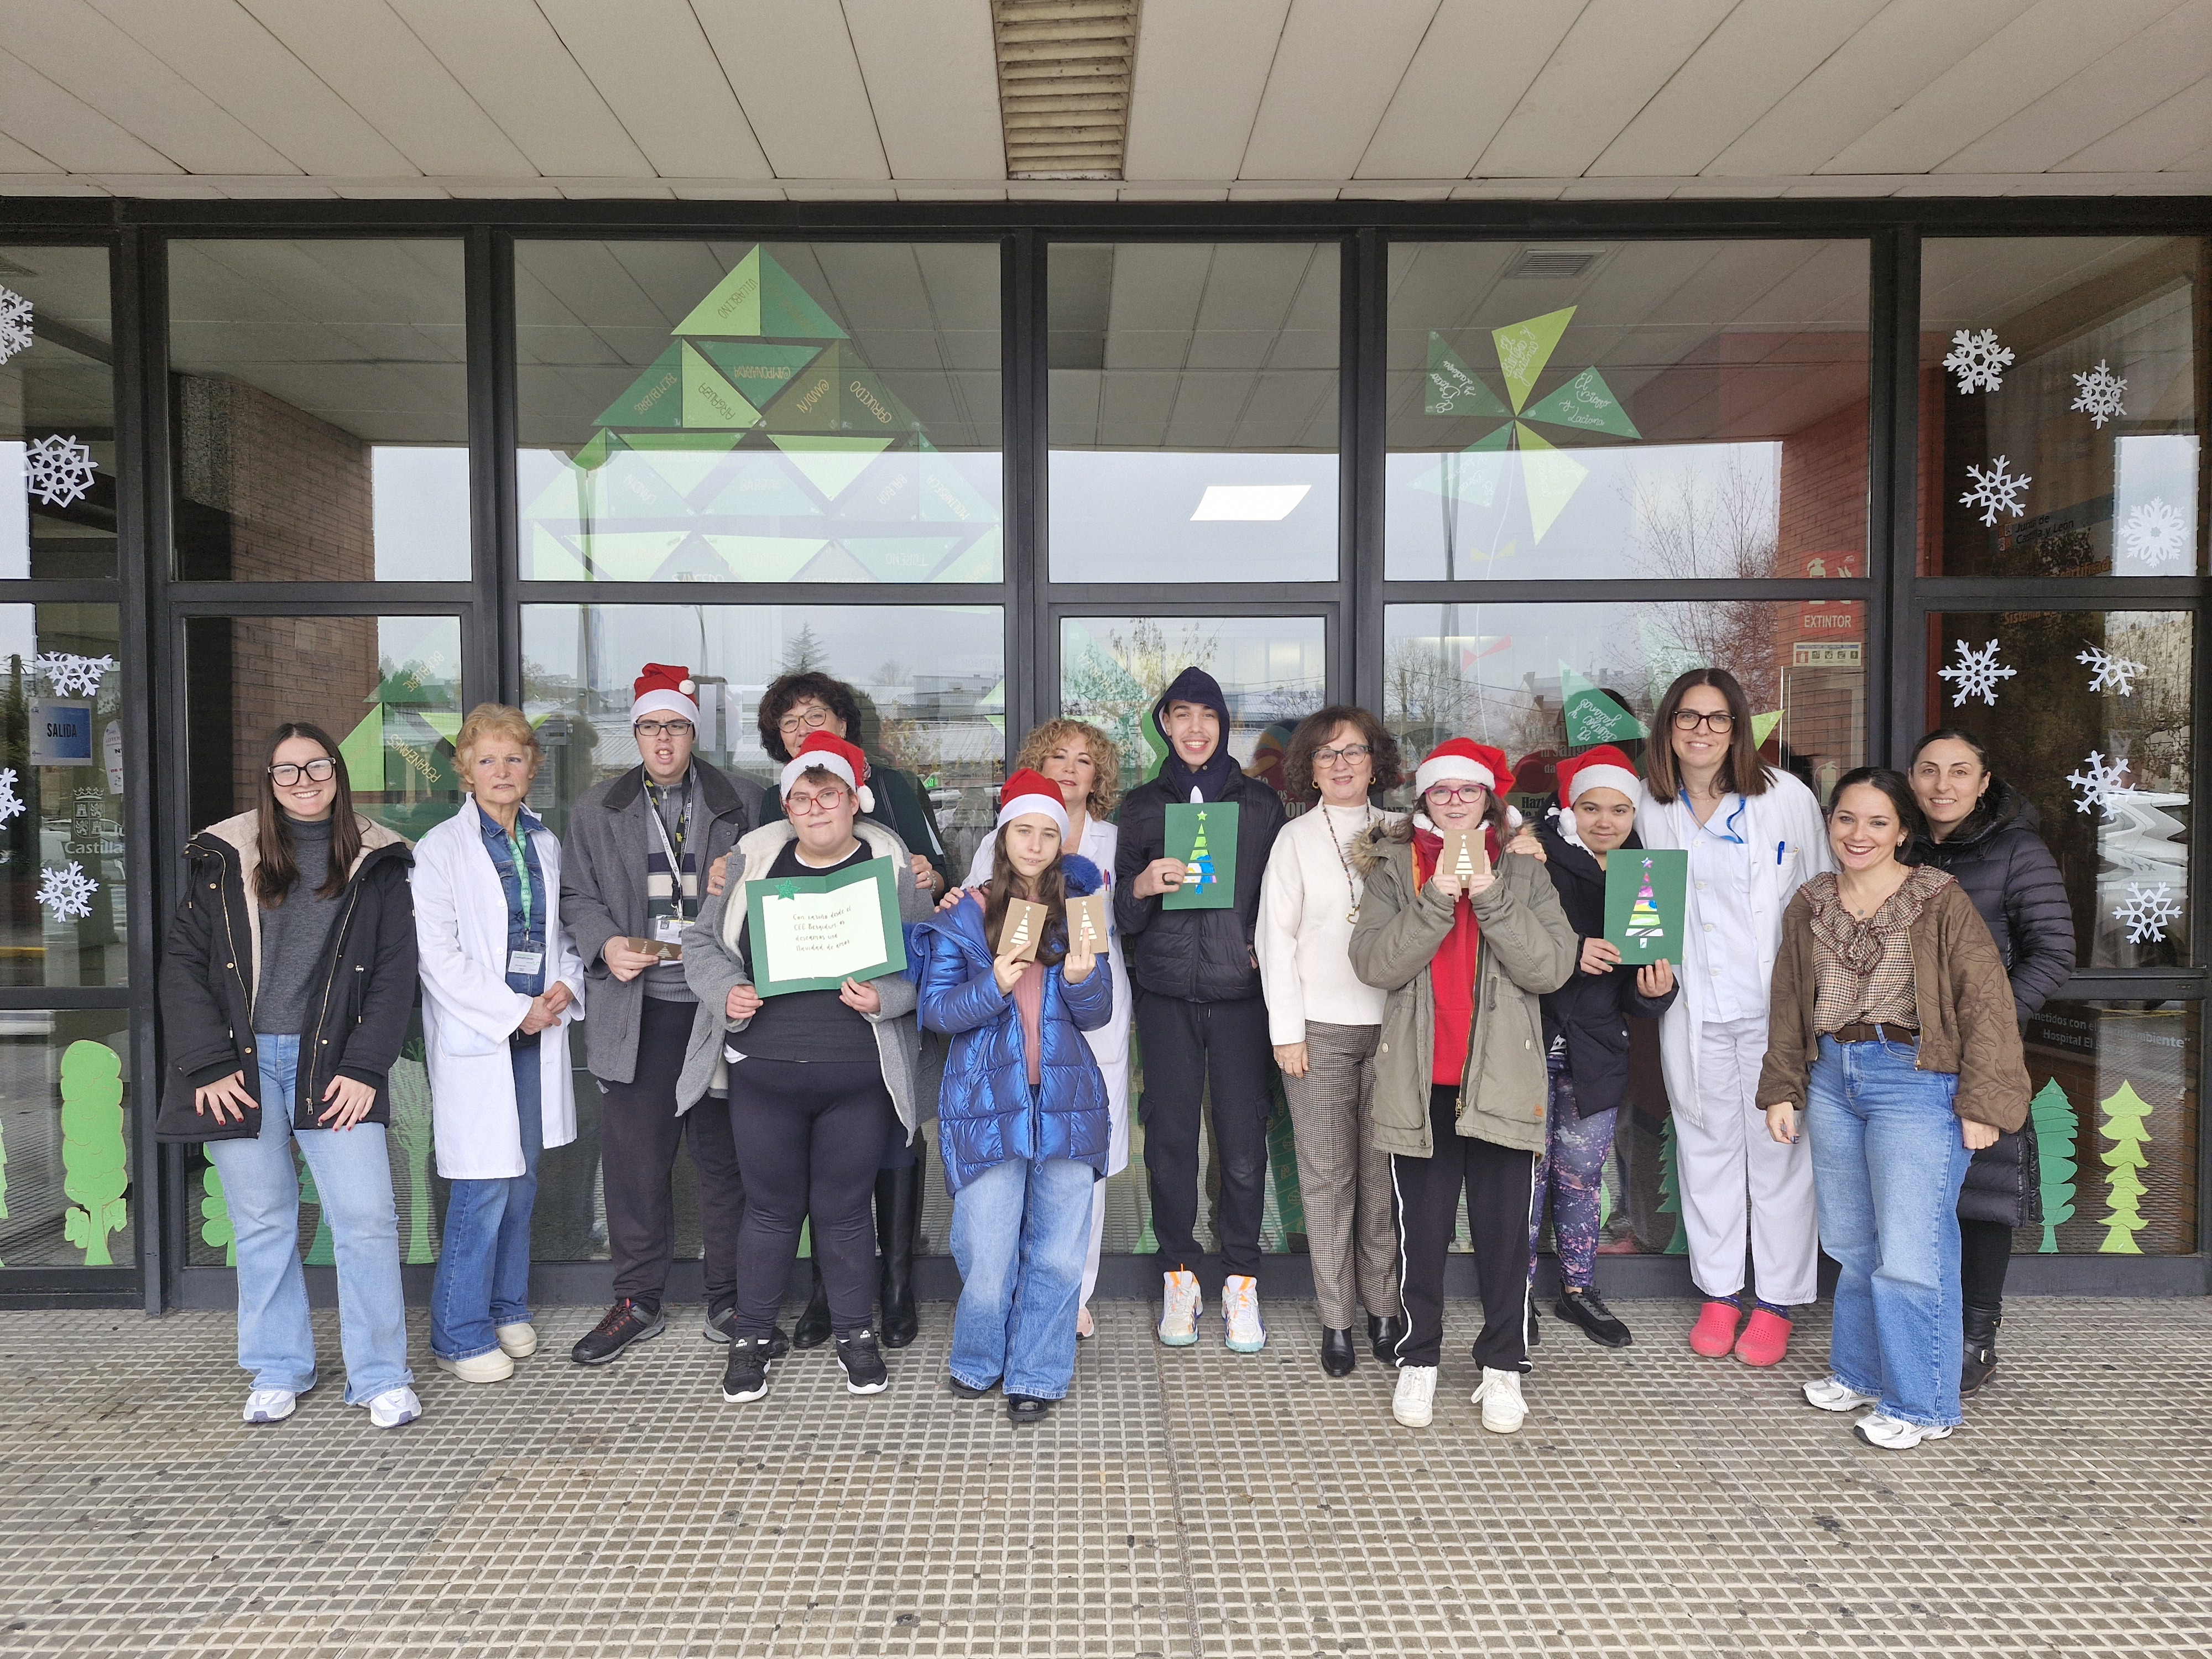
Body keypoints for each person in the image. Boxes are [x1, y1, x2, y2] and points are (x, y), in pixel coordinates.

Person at [156, 723, 421, 1429]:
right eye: (286, 771)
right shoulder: (225, 856)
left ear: (338, 770)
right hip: (241, 1067)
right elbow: (184, 966)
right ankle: (279, 1366)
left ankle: (380, 1375)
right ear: (269, 782)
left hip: (333, 1065)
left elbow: (396, 976)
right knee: (264, 1219)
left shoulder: (381, 861)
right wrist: (208, 1063)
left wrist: (367, 1067)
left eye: (317, 766)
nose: (304, 781)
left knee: (366, 1218)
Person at [1758, 768, 2030, 1450]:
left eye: (1877, 822)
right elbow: (1788, 1001)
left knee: (1912, 1250)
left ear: (1903, 830)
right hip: (1832, 1077)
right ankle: (1861, 1372)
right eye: (1847, 818)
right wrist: (1783, 1088)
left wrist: (1983, 1100)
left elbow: (1985, 1000)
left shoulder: (1937, 897)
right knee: (1853, 1242)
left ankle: (1922, 1404)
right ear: (1829, 823)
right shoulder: (1810, 902)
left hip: (1914, 1078)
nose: (1859, 834)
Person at [677, 732, 933, 1405]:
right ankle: (752, 1338)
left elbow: (929, 962)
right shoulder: (752, 862)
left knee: (846, 1212)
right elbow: (700, 943)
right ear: (787, 805)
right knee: (769, 1212)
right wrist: (724, 990)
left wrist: (890, 997)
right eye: (802, 796)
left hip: (857, 1071)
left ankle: (855, 1333)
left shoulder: (892, 865)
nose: (816, 808)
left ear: (855, 801)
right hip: (764, 1067)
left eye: (830, 794)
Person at [1349, 739, 1577, 1433]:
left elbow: (1551, 967)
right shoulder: (1394, 869)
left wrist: (1491, 895)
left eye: (1467, 790)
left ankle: (1502, 1367)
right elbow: (1374, 963)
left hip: (1502, 1081)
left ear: (1488, 800)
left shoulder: (1523, 870)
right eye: (1440, 790)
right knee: (1420, 1232)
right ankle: (1419, 1360)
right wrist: (1436, 900)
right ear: (1423, 799)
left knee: (1504, 1235)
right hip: (1421, 1086)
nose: (1454, 800)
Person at [559, 664, 766, 1366]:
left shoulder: (744, 799)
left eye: (675, 726)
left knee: (723, 1159)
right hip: (636, 1008)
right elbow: (576, 897)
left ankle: (728, 1296)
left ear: (693, 731)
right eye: (650, 727)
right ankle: (636, 1299)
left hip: (717, 1008)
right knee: (635, 1164)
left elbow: (780, 882)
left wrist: (736, 878)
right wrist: (606, 943)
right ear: (636, 734)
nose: (663, 740)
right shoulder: (597, 809)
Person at [1635, 668, 1830, 1366]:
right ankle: (1720, 1294)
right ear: (1668, 727)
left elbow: (1824, 897)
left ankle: (1774, 1302)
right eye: (1688, 717)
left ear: (1738, 729)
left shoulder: (1786, 799)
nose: (1702, 732)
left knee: (1780, 1152)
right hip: (1690, 1008)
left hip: (1774, 1012)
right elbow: (1613, 871)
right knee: (1706, 1147)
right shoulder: (1646, 804)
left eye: (1718, 719)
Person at [914, 770, 1114, 1424]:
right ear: (1004, 836)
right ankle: (979, 1359)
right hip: (985, 1101)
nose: (1034, 844)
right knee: (988, 1251)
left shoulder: (1080, 904)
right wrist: (994, 983)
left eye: (1048, 832)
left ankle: (1038, 1371)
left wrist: (1082, 978)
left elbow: (1096, 1012)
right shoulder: (967, 911)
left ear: (1061, 840)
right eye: (1023, 830)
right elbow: (937, 1011)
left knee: (1058, 1253)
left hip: (1065, 1097)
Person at [757, 670, 945, 1350]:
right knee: (818, 1168)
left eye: (815, 715)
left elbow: (937, 873)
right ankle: (826, 1294)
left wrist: (931, 875)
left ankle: (895, 1288)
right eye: (789, 723)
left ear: (843, 720)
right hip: (802, 1013)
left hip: (882, 1005)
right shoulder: (768, 807)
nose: (804, 729)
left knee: (895, 1144)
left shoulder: (895, 789)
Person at [1113, 666, 1287, 1353]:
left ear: (1224, 725)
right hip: (1164, 996)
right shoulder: (1141, 806)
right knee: (1169, 1148)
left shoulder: (1260, 804)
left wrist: (1260, 946)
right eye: (1179, 715)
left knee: (1243, 1149)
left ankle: (1240, 1278)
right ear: (1164, 724)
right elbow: (1122, 916)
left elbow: (1281, 898)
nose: (1193, 728)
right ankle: (1179, 1275)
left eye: (1206, 715)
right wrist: (1144, 884)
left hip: (1240, 998)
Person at [415, 705, 586, 1384]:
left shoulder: (546, 843)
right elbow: (439, 957)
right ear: (464, 770)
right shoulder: (439, 850)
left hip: (537, 1029)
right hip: (485, 1035)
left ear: (533, 768)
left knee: (523, 1182)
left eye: (514, 758)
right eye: (486, 760)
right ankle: (458, 1334)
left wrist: (567, 987)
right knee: (483, 1186)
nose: (501, 771)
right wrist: (517, 1012)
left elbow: (563, 934)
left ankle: (507, 1305)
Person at [1907, 727, 2075, 1395]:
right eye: (1928, 771)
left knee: (1982, 1198)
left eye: (1958, 771)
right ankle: (1925, 1323)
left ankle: (1976, 1340)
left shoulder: (2017, 851)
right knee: (1920, 1196)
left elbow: (2053, 952)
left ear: (1982, 782)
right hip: (1908, 1051)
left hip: (1984, 1053)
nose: (1942, 785)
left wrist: (1992, 1025)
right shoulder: (1901, 846)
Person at [961, 719, 1130, 1339]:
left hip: (1089, 996)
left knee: (1080, 1154)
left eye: (1083, 760)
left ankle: (1070, 1293)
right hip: (1020, 1008)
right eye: (1056, 756)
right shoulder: (1002, 840)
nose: (1069, 767)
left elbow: (1123, 918)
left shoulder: (1114, 841)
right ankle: (1011, 1290)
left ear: (1098, 775)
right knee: (1014, 1153)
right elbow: (974, 911)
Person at [1256, 705, 1409, 1375]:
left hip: (1395, 1029)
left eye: (1353, 752)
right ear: (1308, 770)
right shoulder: (1293, 839)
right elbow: (1275, 940)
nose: (1341, 764)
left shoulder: (1409, 833)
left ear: (1376, 762)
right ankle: (1337, 1320)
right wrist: (1286, 1033)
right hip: (1316, 1032)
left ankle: (1383, 1308)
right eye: (1326, 755)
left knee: (1384, 1183)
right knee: (1326, 1180)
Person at [1526, 745, 1677, 1349]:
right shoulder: (1534, 860)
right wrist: (1569, 954)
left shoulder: (1644, 874)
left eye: (1619, 810)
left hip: (1596, 1047)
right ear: (1571, 808)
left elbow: (1642, 983)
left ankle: (1579, 1291)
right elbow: (1506, 948)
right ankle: (1514, 1292)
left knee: (1582, 1175)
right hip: (1529, 1040)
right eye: (1591, 808)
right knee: (1524, 1176)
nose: (1605, 821)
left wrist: (1656, 992)